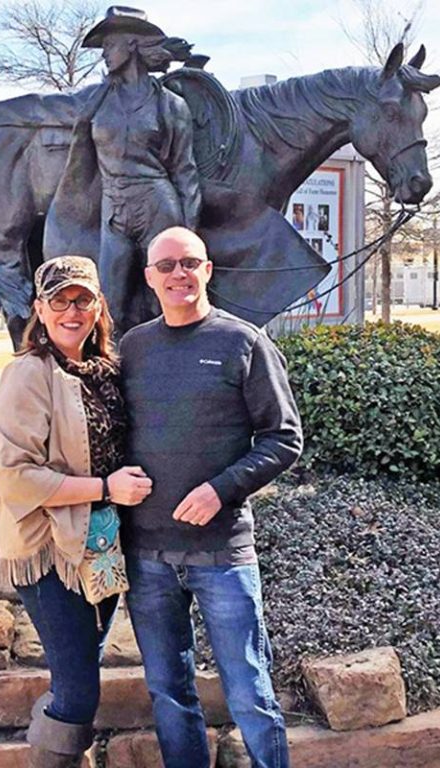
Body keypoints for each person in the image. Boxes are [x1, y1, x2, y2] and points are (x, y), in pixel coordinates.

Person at [119, 227, 302, 768]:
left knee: (250, 694)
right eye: (167, 265)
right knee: (170, 695)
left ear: (207, 270)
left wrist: (220, 490)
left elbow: (283, 437)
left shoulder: (243, 342)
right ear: (150, 278)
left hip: (222, 554)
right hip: (147, 555)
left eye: (189, 263)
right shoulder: (134, 347)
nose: (179, 274)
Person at [0, 255, 153, 768]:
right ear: (40, 308)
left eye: (82, 298)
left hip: (101, 544)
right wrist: (105, 487)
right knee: (79, 693)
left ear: (98, 304)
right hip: (50, 550)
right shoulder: (28, 374)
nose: (71, 309)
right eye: (59, 300)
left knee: (78, 676)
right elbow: (14, 474)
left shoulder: (106, 370)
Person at [80, 6, 201, 331]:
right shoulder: (96, 100)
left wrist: (187, 237)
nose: (104, 54)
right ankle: (108, 374)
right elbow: (44, 107)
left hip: (158, 208)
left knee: (165, 301)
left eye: (109, 45)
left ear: (131, 44)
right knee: (108, 304)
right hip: (114, 211)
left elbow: (184, 172)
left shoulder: (170, 105)